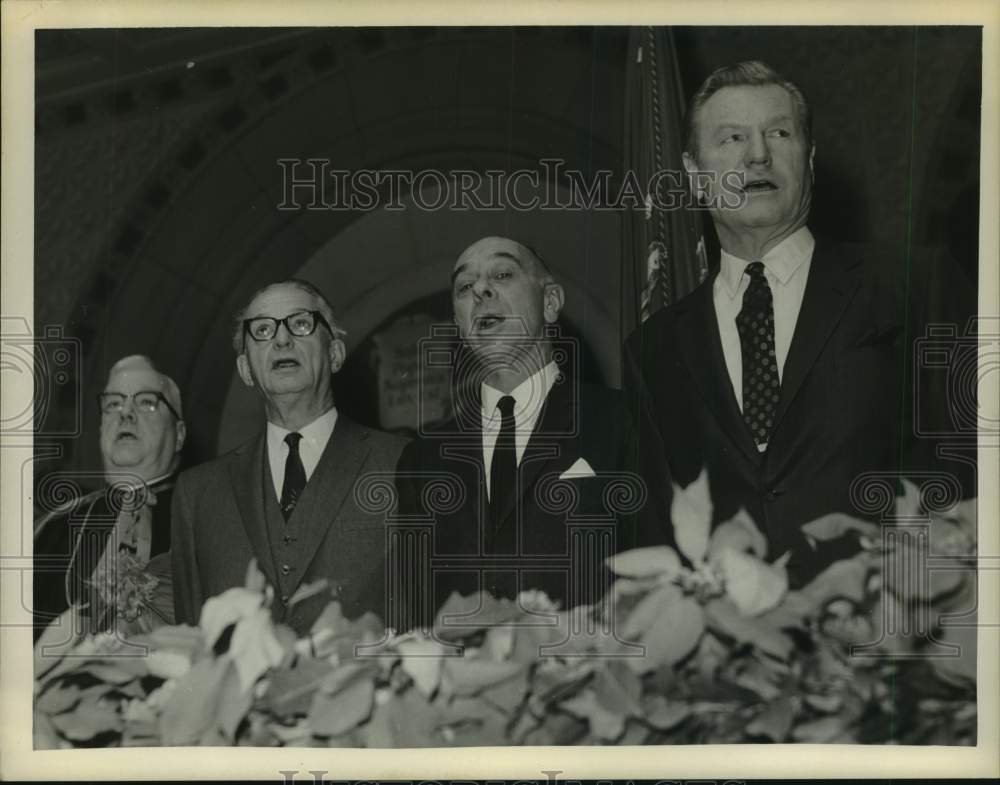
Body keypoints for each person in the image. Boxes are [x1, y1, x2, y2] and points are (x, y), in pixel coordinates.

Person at [624, 60, 975, 586]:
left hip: (894, 637)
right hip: (728, 654)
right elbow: (653, 530)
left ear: (808, 160)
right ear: (694, 175)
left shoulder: (916, 286)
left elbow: (973, 465)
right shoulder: (652, 347)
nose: (758, 154)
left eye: (779, 133)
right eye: (732, 138)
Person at [394, 237, 657, 631]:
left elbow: (653, 577)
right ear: (459, 324)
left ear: (550, 302)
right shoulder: (422, 459)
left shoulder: (625, 421)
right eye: (465, 287)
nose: (480, 290)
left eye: (502, 274)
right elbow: (413, 615)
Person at [171, 279, 407, 635]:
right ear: (246, 369)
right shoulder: (197, 494)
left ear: (335, 354)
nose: (282, 340)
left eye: (300, 324)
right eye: (263, 330)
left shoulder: (402, 465)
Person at [33, 355, 186, 641]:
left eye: (146, 402)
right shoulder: (50, 529)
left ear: (179, 435)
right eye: (113, 404)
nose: (125, 413)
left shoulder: (207, 519)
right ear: (101, 428)